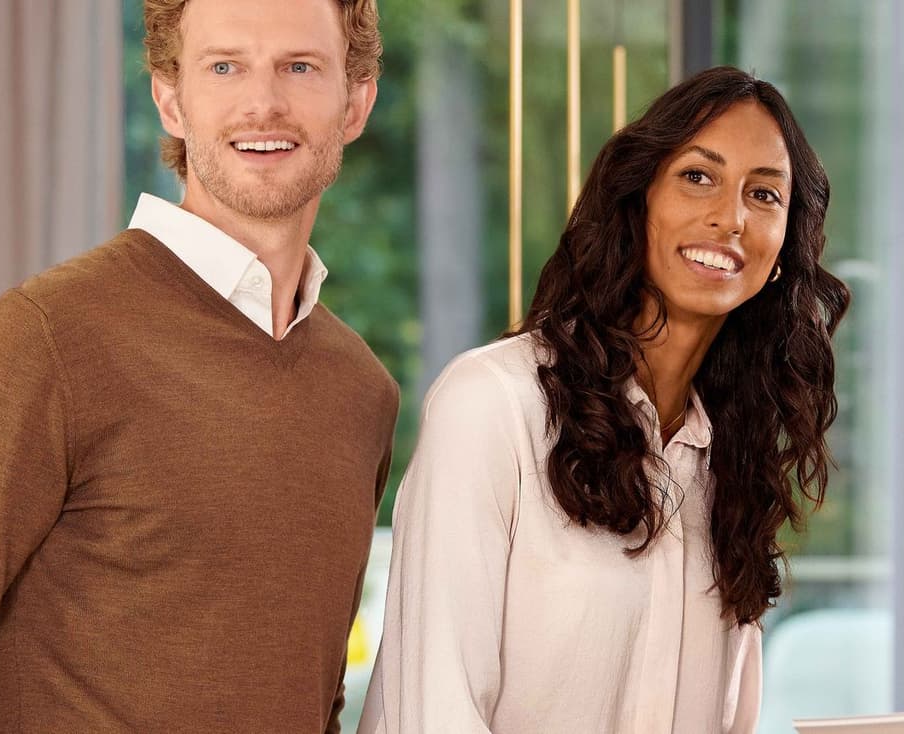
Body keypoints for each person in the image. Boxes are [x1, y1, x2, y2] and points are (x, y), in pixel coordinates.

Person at [0, 0, 397, 730]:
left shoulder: (360, 393)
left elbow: (310, 700)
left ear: (356, 102)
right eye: (225, 66)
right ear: (170, 98)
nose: (263, 103)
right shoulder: (41, 342)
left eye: (299, 67)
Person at [358, 66, 851, 734]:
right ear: (637, 197)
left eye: (763, 194)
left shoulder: (728, 464)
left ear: (782, 250)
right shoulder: (495, 406)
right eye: (698, 177)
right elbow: (433, 711)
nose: (729, 217)